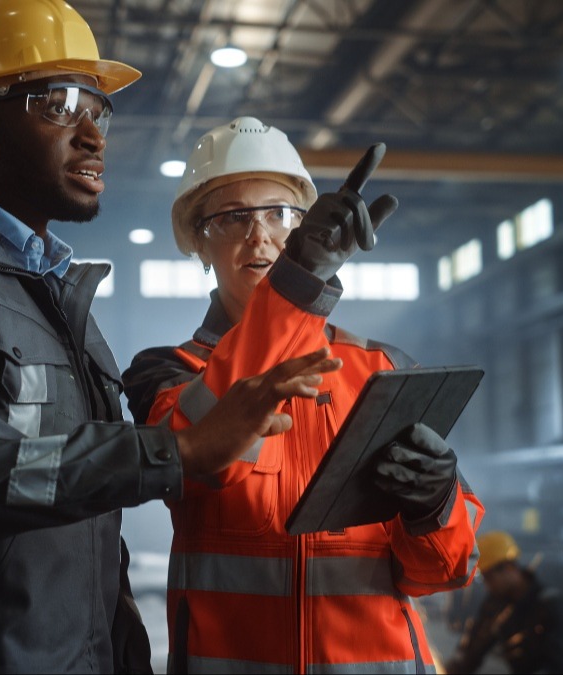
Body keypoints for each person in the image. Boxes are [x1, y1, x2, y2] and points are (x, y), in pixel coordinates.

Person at [0, 4, 342, 673]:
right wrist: (174, 449)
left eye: (97, 110)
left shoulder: (60, 301)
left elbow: (85, 522)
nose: (92, 135)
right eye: (59, 105)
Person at [121, 116, 485, 673]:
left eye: (281, 214)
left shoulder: (380, 369)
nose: (260, 234)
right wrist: (300, 279)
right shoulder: (168, 373)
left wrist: (434, 505)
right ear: (198, 241)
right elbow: (197, 458)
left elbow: (440, 573)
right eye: (233, 217)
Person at [442, 530, 563, 674]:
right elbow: (473, 648)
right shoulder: (495, 604)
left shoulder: (549, 606)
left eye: (489, 578)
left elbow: (560, 667)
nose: (488, 585)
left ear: (509, 567)